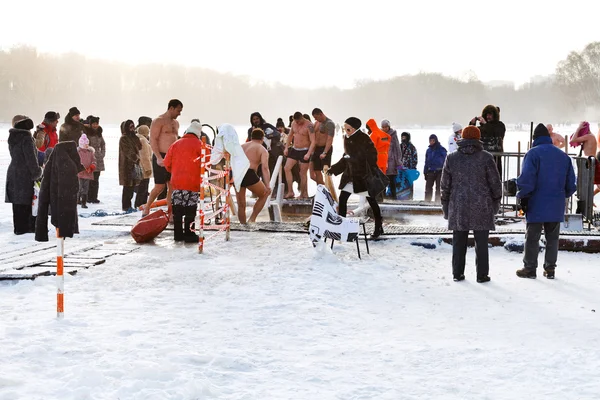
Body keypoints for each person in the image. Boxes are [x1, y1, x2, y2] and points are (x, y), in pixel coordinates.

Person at [441, 126, 502, 283]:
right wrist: (495, 203)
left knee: (458, 242)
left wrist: (446, 207)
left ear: (462, 138)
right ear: (478, 138)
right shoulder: (486, 157)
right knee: (481, 244)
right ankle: (482, 275)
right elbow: (495, 184)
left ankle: (457, 273)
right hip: (482, 205)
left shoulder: (452, 158)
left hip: (458, 206)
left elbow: (445, 186)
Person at [516, 124, 577, 279]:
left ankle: (530, 268)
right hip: (556, 204)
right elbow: (571, 184)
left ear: (534, 139)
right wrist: (562, 195)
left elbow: (527, 180)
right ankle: (550, 269)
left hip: (536, 203)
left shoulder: (533, 154)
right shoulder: (563, 156)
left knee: (532, 237)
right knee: (553, 238)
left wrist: (522, 195)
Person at [327, 117, 384, 238]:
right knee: (343, 199)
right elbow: (345, 157)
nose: (345, 131)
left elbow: (372, 156)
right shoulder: (346, 138)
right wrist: (334, 169)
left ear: (354, 128)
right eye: (344, 128)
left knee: (372, 201)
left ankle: (378, 227)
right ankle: (341, 227)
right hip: (350, 175)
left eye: (347, 129)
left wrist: (355, 159)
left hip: (362, 176)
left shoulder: (364, 138)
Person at [163, 121, 207, 242]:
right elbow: (207, 162)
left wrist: (175, 171)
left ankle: (177, 235)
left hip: (177, 182)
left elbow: (166, 163)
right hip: (192, 183)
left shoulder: (175, 144)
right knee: (190, 209)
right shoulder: (199, 144)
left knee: (177, 209)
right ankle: (189, 234)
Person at [142, 99, 183, 216]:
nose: (179, 113)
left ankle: (170, 213)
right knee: (159, 186)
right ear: (171, 108)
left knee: (172, 186)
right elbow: (153, 140)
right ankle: (147, 207)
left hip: (173, 157)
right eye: (178, 110)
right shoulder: (158, 121)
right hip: (161, 155)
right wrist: (158, 157)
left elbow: (175, 139)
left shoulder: (176, 123)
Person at [6, 115, 43, 235]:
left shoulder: (13, 137)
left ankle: (19, 227)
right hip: (25, 173)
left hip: (14, 171)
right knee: (27, 201)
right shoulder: (26, 138)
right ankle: (27, 227)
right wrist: (37, 172)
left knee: (17, 202)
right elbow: (31, 158)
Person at [237, 128, 272, 224]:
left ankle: (242, 225)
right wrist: (268, 185)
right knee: (264, 194)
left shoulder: (242, 146)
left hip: (237, 173)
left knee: (241, 204)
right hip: (248, 173)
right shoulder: (262, 149)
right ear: (262, 138)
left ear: (251, 137)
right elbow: (265, 168)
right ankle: (252, 219)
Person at [283, 111, 315, 199]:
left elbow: (313, 141)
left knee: (302, 173)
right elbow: (290, 136)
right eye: (296, 121)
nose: (297, 123)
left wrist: (308, 153)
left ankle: (302, 194)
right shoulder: (294, 123)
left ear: (302, 118)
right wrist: (286, 148)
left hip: (305, 150)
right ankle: (290, 191)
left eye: (298, 121)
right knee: (286, 168)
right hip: (295, 149)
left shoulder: (309, 125)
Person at [469, 104, 505, 175]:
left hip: (495, 158)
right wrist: (472, 124)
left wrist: (486, 124)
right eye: (487, 115)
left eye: (490, 115)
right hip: (481, 158)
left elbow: (496, 134)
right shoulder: (481, 128)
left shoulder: (500, 126)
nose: (488, 117)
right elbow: (470, 135)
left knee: (495, 178)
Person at [119, 120, 142, 212]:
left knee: (132, 186)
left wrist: (135, 136)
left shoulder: (134, 137)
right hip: (126, 165)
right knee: (127, 187)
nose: (132, 128)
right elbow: (127, 151)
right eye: (130, 127)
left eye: (133, 126)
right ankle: (126, 206)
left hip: (134, 165)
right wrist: (135, 158)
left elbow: (140, 147)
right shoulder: (123, 138)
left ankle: (129, 205)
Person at [310, 108, 336, 186]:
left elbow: (329, 139)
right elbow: (312, 133)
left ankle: (328, 190)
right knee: (317, 170)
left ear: (321, 114)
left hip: (325, 148)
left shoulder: (329, 123)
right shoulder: (317, 123)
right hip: (317, 149)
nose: (315, 119)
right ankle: (320, 190)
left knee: (326, 171)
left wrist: (325, 152)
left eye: (316, 117)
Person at [84, 116, 105, 203]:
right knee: (89, 179)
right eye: (94, 124)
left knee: (96, 179)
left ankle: (94, 197)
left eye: (96, 124)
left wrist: (102, 154)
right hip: (89, 158)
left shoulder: (99, 133)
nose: (95, 125)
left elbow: (103, 144)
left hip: (98, 159)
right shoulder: (87, 133)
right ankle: (88, 197)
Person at [423, 134, 447, 203]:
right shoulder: (428, 150)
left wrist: (445, 170)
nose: (431, 142)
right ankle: (427, 201)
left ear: (436, 140)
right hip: (430, 171)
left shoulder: (441, 149)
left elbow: (446, 160)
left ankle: (438, 202)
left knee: (439, 188)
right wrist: (425, 171)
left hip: (439, 171)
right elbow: (426, 161)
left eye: (433, 140)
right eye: (430, 140)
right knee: (428, 188)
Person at [382, 120, 402, 199]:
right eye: (383, 127)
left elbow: (397, 148)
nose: (384, 129)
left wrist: (398, 161)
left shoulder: (393, 135)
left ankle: (394, 197)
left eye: (386, 127)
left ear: (388, 126)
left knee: (391, 181)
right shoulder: (381, 135)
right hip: (383, 161)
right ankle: (383, 197)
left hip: (392, 162)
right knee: (382, 181)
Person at [76, 134, 97, 209]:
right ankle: (77, 200)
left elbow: (94, 161)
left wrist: (91, 167)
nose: (87, 145)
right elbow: (76, 161)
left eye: (87, 144)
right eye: (85, 144)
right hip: (80, 173)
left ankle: (84, 202)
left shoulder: (90, 152)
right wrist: (80, 168)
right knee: (78, 188)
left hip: (88, 174)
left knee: (85, 189)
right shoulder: (78, 152)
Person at [135, 124, 153, 208]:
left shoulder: (137, 139)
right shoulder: (143, 140)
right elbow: (145, 156)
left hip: (139, 167)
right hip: (144, 168)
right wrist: (148, 168)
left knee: (141, 188)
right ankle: (141, 204)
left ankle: (140, 204)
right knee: (143, 188)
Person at [399, 132, 418, 199]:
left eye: (404, 137)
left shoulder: (412, 147)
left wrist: (412, 168)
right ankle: (400, 197)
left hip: (409, 169)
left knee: (409, 184)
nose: (403, 138)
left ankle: (410, 198)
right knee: (400, 184)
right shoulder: (399, 146)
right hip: (400, 170)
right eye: (402, 137)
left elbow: (415, 158)